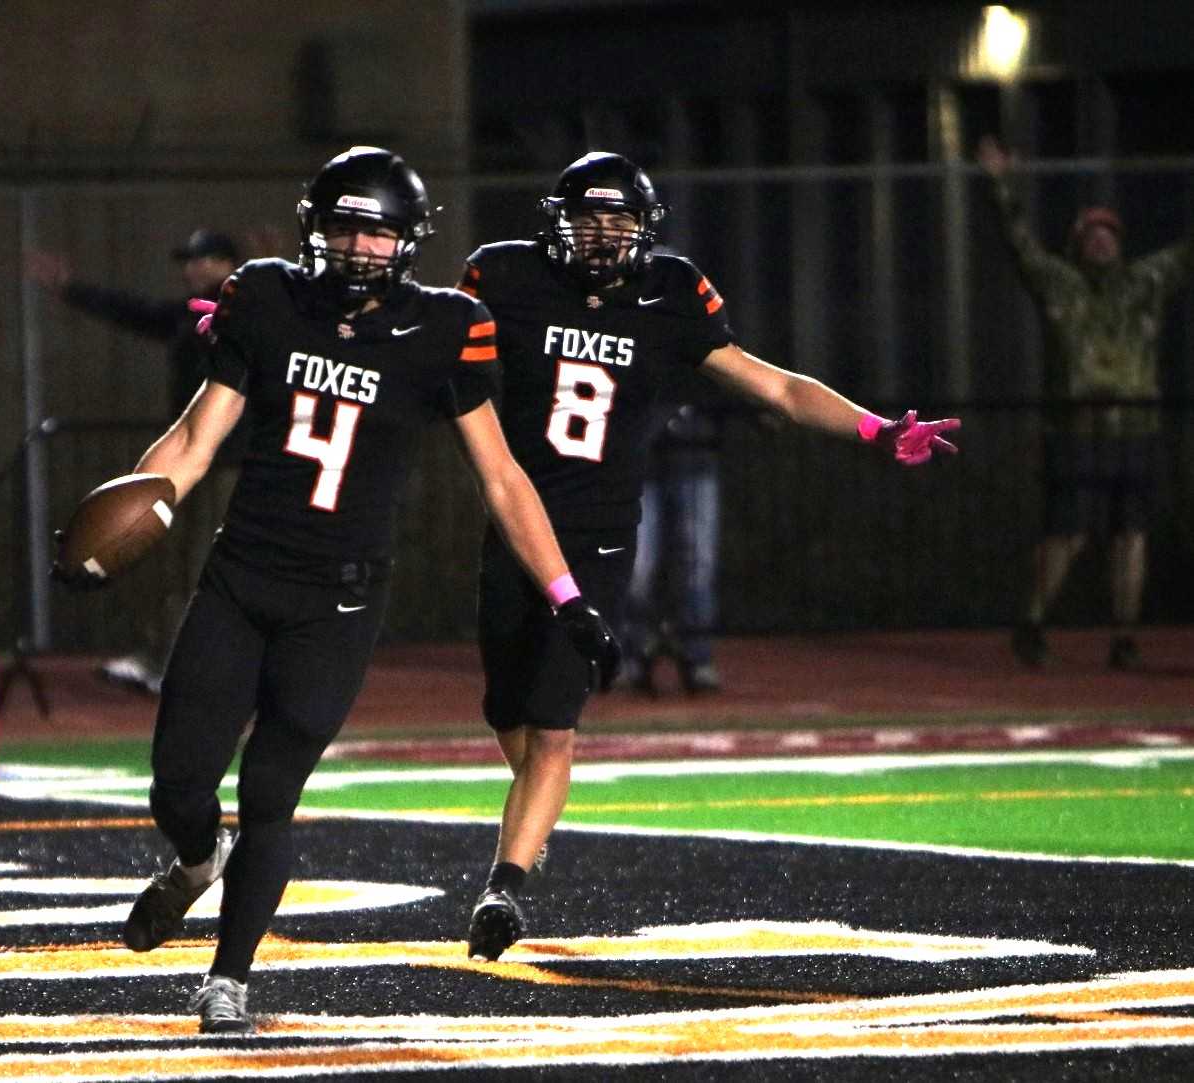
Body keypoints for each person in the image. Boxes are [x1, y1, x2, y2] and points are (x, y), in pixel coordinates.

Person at [57, 146, 618, 1035]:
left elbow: (503, 477)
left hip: (340, 602)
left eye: (379, 229)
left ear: (408, 240)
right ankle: (197, 860)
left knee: (273, 787)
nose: (360, 245)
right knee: (177, 784)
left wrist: (565, 594)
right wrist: (140, 512)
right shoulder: (267, 296)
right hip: (242, 576)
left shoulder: (444, 327)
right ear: (316, 227)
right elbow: (197, 436)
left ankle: (229, 979)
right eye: (346, 225)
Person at [456, 151, 960, 961]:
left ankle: (504, 885)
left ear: (645, 229)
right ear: (557, 222)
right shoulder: (506, 277)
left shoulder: (671, 292)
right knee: (507, 710)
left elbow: (779, 388)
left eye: (620, 221)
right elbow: (411, 344)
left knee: (554, 724)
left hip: (599, 535)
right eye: (589, 218)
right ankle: (533, 818)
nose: (603, 235)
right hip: (516, 523)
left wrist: (876, 427)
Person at [977, 136, 1194, 669]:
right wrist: (1001, 183)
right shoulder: (1060, 284)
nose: (1102, 242)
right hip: (1076, 428)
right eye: (1092, 234)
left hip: (1136, 428)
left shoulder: (1145, 282)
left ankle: (1124, 636)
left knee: (1131, 535)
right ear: (1078, 243)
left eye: (1109, 234)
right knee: (1066, 533)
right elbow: (1019, 242)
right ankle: (1032, 621)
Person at [26, 228, 243, 694]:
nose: (191, 268)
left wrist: (274, 266)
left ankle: (195, 666)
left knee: (209, 566)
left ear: (227, 263)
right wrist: (71, 289)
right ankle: (171, 660)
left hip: (231, 464)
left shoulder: (248, 309)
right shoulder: (193, 313)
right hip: (194, 460)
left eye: (202, 258)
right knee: (181, 563)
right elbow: (138, 312)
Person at [621, 399, 724, 695]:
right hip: (641, 460)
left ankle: (698, 655)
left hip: (695, 454)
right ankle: (632, 652)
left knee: (699, 565)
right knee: (638, 567)